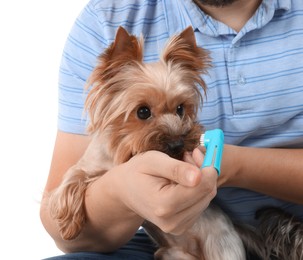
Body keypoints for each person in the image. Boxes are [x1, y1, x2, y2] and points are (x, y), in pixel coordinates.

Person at [40, 0, 303, 259]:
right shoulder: (105, 18)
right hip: (157, 241)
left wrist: (228, 165)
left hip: (240, 234)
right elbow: (63, 230)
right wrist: (121, 193)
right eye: (144, 113)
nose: (174, 129)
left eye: (180, 110)